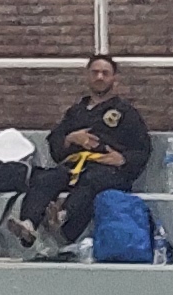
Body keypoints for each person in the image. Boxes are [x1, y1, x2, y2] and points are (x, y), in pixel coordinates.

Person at [21, 54, 154, 245]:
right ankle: (28, 225)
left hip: (107, 171)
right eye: (95, 72)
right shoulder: (76, 112)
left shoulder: (126, 112)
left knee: (92, 180)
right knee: (45, 178)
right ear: (87, 76)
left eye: (105, 73)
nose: (99, 77)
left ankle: (62, 216)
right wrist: (70, 138)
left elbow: (143, 148)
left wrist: (123, 159)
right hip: (75, 166)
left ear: (114, 78)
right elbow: (56, 142)